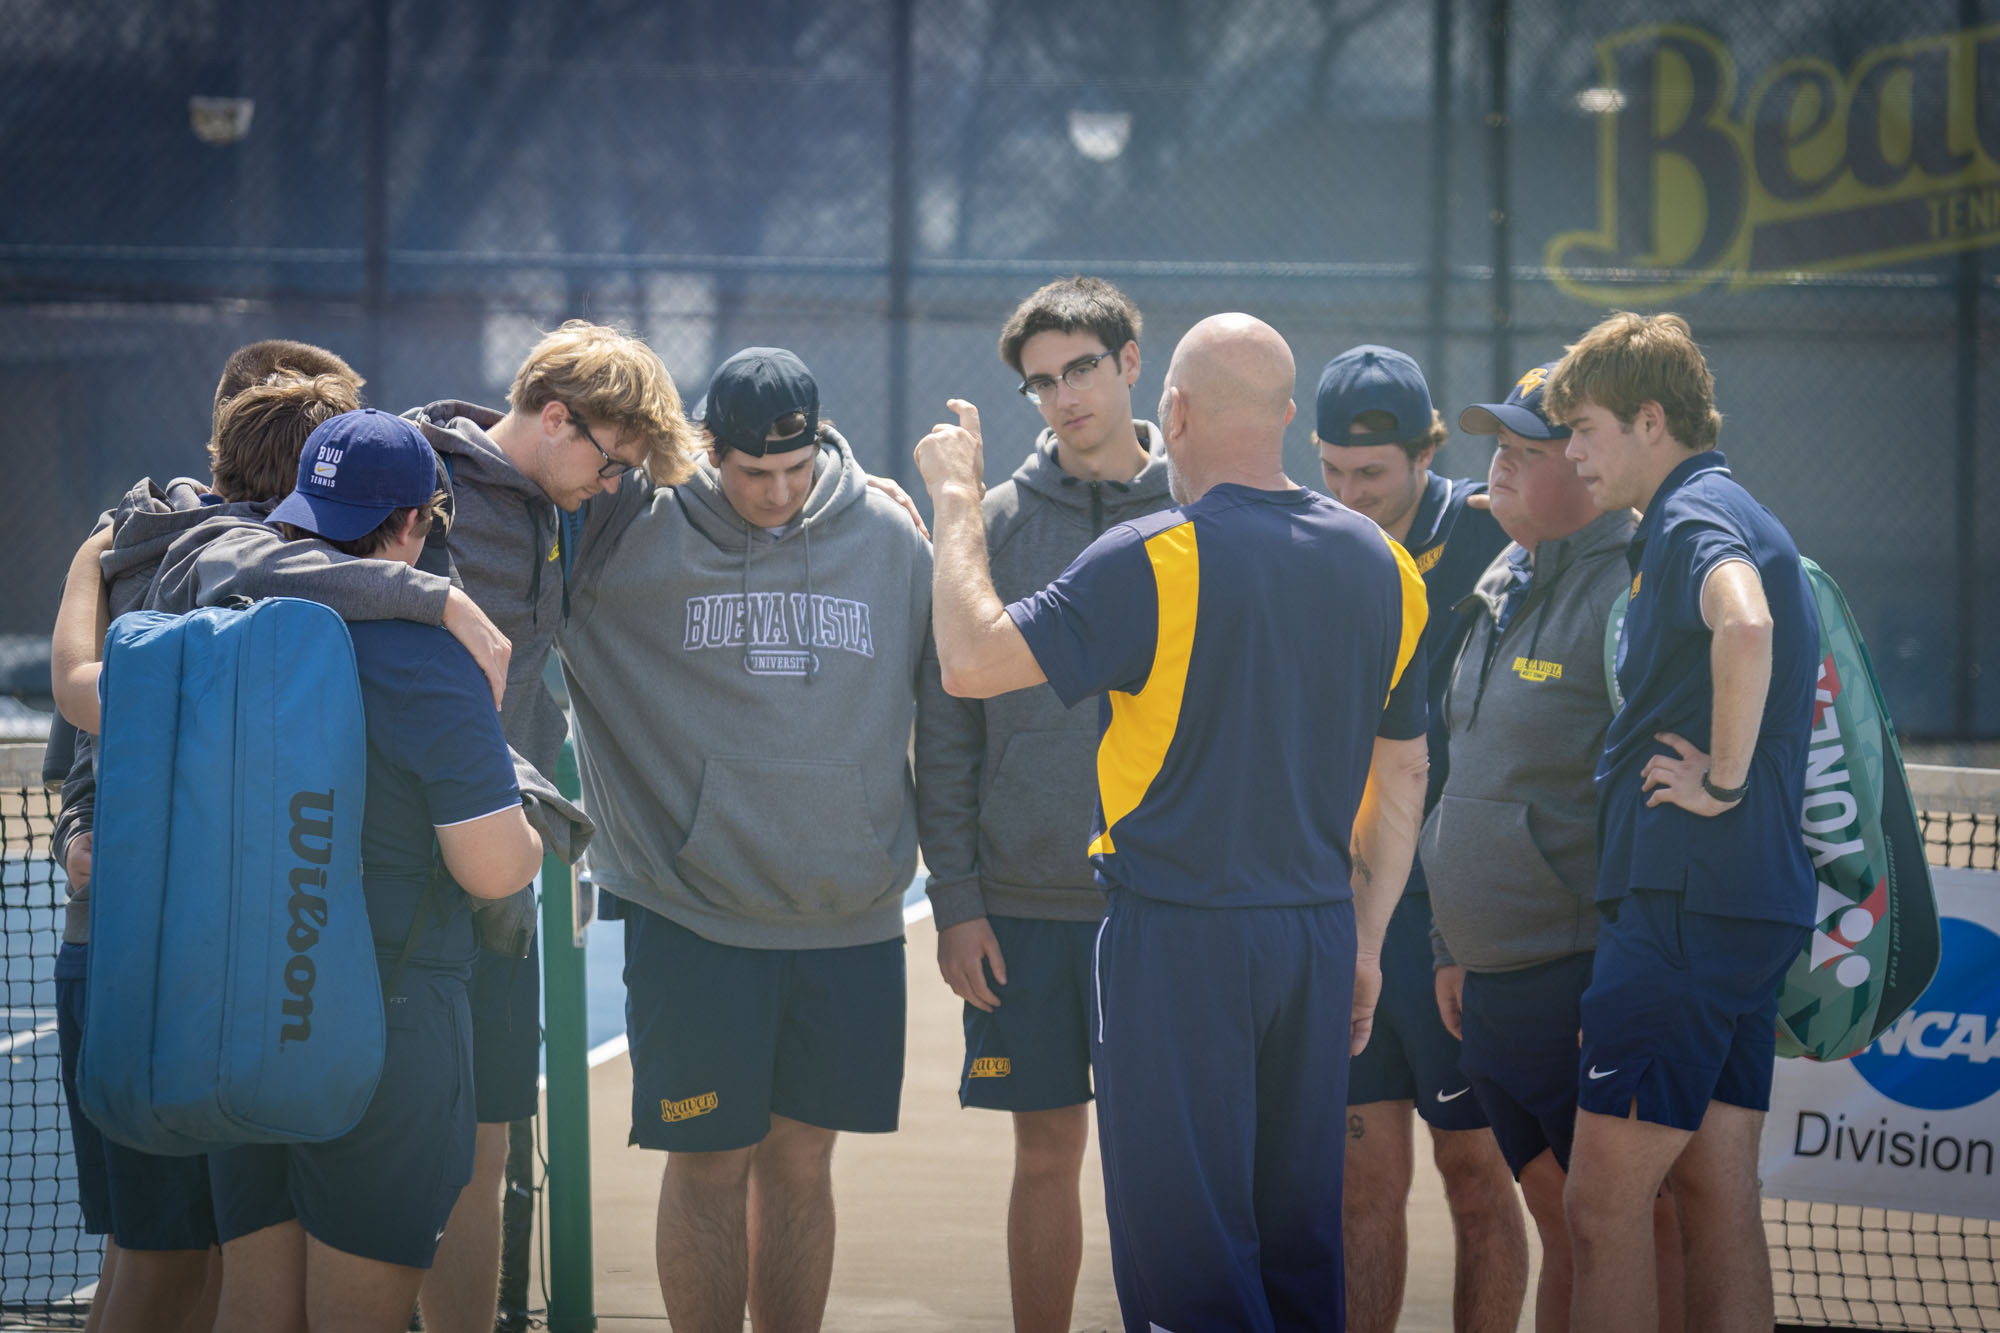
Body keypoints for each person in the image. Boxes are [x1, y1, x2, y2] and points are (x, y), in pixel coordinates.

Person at [144, 320, 691, 1333]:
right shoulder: (401, 506)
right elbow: (236, 550)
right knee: (350, 1220)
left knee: (438, 1173)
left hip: (328, 934)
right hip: (393, 921)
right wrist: (429, 599)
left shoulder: (581, 505)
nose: (615, 484)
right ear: (413, 520)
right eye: (609, 461)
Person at [917, 313, 1431, 1331]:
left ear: (1176, 410)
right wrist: (1364, 941)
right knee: (1296, 1239)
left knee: (1188, 1254)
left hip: (1180, 934)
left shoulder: (1153, 556)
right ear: (1287, 418)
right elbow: (1405, 770)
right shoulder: (1386, 566)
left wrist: (953, 500)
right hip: (1318, 930)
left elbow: (969, 661)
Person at [42, 344, 452, 1333]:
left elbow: (77, 729)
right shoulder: (251, 577)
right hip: (194, 963)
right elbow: (84, 731)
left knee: (203, 1262)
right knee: (167, 1262)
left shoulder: (135, 545)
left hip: (176, 955)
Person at [556, 348, 934, 1333]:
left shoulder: (890, 538)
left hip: (846, 915)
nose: (776, 493)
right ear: (705, 448)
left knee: (803, 1158)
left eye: (796, 471)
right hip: (693, 913)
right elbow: (501, 465)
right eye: (751, 472)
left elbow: (951, 709)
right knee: (710, 1160)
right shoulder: (624, 530)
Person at [185, 409, 545, 1333]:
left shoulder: (218, 618)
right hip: (384, 1022)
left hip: (238, 1008)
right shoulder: (433, 654)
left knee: (254, 1314)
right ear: (416, 522)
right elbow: (497, 871)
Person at [1545, 312, 1819, 1332]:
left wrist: (1724, 778)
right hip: (1735, 906)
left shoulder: (1690, 515)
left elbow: (1740, 622)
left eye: (1582, 428)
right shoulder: (1722, 505)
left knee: (1598, 1208)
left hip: (1681, 907)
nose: (1570, 452)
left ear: (1647, 420)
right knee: (1713, 1194)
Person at [913, 276, 1172, 1333]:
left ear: (1129, 362)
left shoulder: (1201, 515)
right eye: (1039, 382)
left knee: (1164, 1161)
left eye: (1078, 369)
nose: (1062, 396)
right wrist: (956, 898)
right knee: (1045, 1154)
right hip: (1022, 901)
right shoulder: (998, 526)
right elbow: (946, 730)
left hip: (1165, 900)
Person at [1420, 362, 1683, 1332]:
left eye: (1528, 453)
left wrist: (1618, 982)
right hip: (1489, 980)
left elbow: (1647, 808)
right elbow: (1468, 774)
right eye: (1497, 450)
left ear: (1585, 465)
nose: (1500, 469)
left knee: (1629, 1227)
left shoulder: (1630, 593)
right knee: (1557, 1218)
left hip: (1578, 982)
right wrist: (1453, 946)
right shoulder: (1502, 573)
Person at [1312, 344, 1526, 1332]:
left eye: (1372, 474)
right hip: (1346, 911)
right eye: (1332, 472)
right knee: (1359, 1189)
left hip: (1458, 925)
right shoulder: (1308, 540)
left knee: (1475, 1176)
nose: (1349, 495)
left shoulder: (1496, 541)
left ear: (1426, 451)